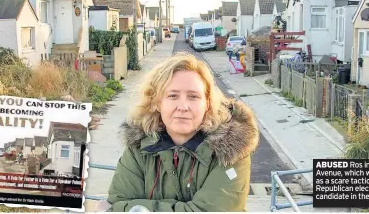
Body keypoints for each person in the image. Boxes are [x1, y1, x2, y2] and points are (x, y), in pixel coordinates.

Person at [105, 53, 260, 212]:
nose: (183, 106)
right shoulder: (138, 148)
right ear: (158, 103)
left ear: (207, 103)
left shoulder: (231, 150)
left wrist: (139, 208)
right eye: (173, 96)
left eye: (193, 96)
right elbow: (117, 203)